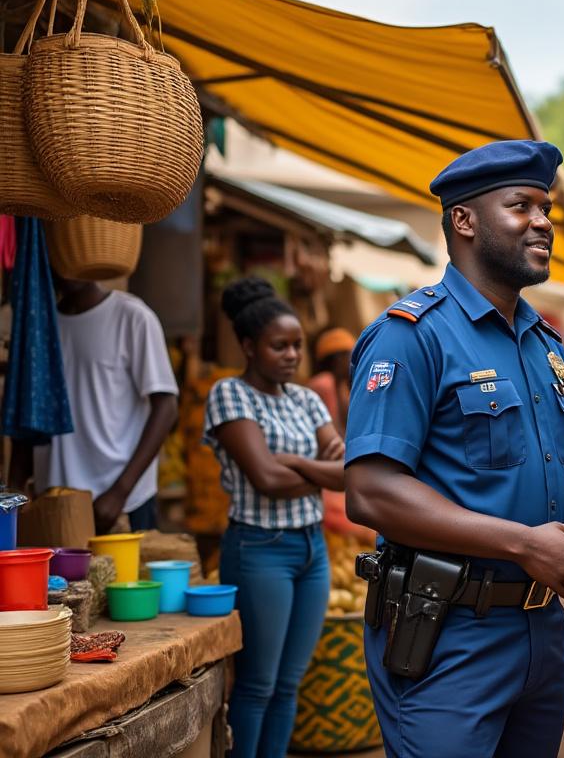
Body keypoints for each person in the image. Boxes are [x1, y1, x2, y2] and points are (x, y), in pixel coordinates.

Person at [343, 140, 564, 758]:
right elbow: (368, 491)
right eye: (522, 206)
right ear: (464, 221)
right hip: (447, 630)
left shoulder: (544, 343)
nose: (544, 222)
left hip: (541, 630)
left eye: (546, 208)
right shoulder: (410, 338)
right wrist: (525, 544)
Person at [204, 277, 346, 758]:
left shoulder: (306, 398)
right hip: (260, 550)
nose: (291, 355)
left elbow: (348, 473)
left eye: (297, 346)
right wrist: (318, 471)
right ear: (248, 346)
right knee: (257, 684)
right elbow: (265, 479)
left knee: (289, 683)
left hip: (312, 550)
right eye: (278, 345)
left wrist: (298, 465)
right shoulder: (230, 395)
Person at [23, 276, 179, 533]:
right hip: (53, 501)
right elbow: (28, 411)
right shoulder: (41, 323)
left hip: (122, 503)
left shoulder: (132, 316)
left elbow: (166, 406)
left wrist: (120, 492)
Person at [306, 327, 371, 543]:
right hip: (325, 467)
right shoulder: (322, 384)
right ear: (334, 358)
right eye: (347, 355)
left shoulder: (344, 387)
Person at [308, 326, 356, 437]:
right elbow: (336, 432)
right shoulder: (324, 383)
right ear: (339, 359)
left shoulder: (341, 385)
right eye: (351, 354)